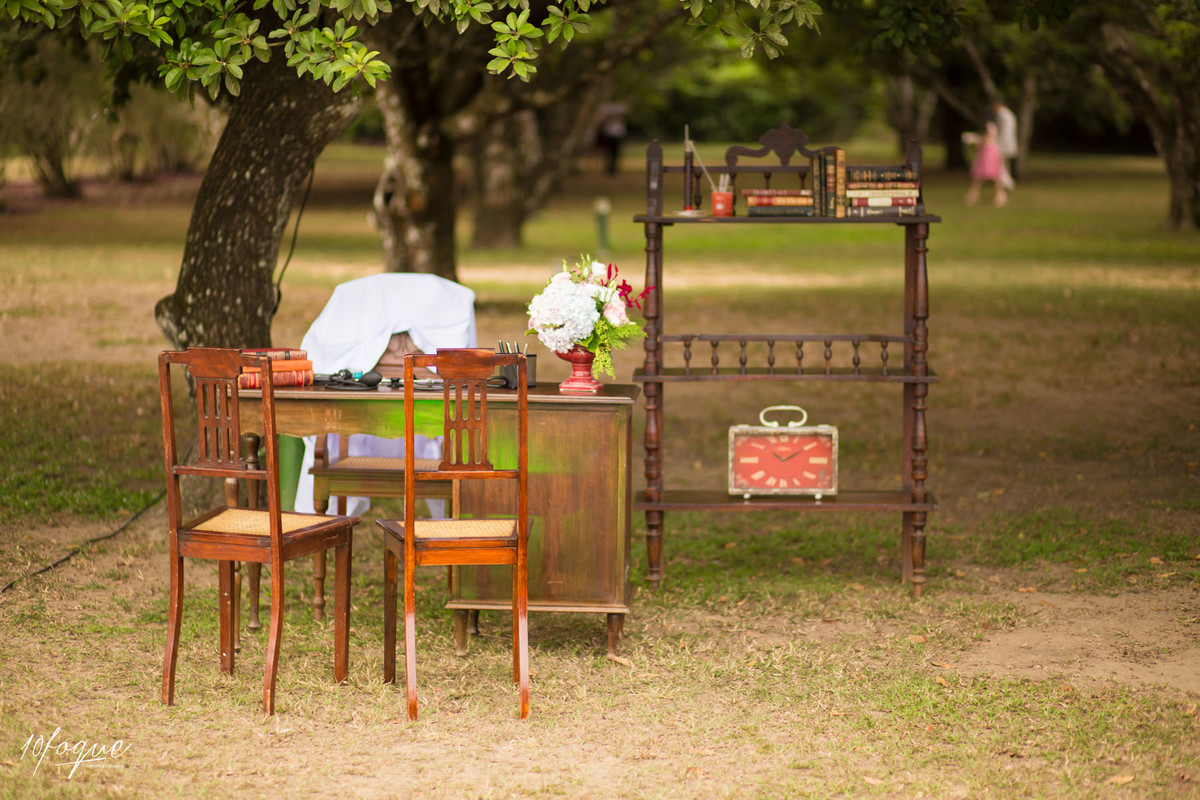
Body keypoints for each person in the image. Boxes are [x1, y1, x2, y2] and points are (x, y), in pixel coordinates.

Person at [963, 121, 1007, 207]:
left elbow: (986, 141)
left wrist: (974, 141)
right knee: (984, 176)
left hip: (988, 154)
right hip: (988, 153)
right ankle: (975, 194)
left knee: (988, 175)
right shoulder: (991, 127)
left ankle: (999, 195)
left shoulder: (988, 128)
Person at [991, 100, 1018, 185]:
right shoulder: (1009, 114)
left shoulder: (1002, 115)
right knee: (1005, 165)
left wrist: (997, 144)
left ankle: (1007, 182)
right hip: (1008, 143)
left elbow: (1003, 132)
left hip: (1003, 144)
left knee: (1001, 165)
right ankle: (1005, 182)